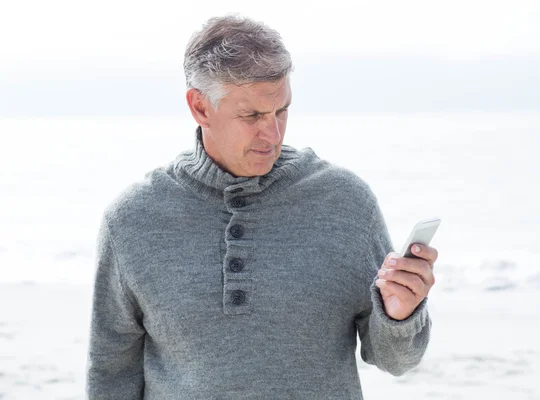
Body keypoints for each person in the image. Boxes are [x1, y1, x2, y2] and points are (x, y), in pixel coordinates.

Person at [86, 14, 437, 400]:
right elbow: (110, 373)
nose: (271, 134)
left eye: (281, 111)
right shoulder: (133, 220)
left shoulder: (346, 202)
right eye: (251, 115)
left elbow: (395, 360)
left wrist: (399, 314)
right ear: (200, 107)